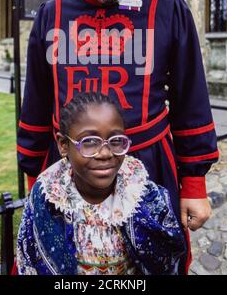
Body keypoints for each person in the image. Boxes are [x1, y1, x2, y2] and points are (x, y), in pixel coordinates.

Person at [17, 0, 219, 273]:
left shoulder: (168, 8)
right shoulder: (51, 15)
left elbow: (191, 102)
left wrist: (194, 186)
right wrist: (34, 181)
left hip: (151, 171)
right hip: (69, 174)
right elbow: (37, 105)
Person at [17, 92, 186, 275]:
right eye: (89, 141)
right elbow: (30, 261)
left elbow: (165, 260)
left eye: (116, 140)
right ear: (64, 144)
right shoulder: (46, 198)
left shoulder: (143, 195)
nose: (105, 153)